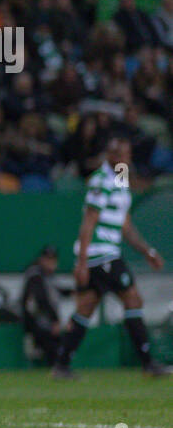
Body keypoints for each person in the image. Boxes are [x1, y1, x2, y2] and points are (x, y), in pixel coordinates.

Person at [52, 134, 171, 378]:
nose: (126, 160)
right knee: (133, 300)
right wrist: (82, 262)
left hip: (105, 255)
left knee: (85, 308)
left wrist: (146, 251)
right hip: (101, 255)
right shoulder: (100, 181)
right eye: (122, 155)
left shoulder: (120, 181)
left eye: (128, 155)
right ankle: (148, 363)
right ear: (111, 156)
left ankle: (61, 365)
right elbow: (88, 221)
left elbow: (125, 225)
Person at [20, 246, 63, 365]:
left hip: (43, 321)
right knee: (51, 347)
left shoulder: (48, 276)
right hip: (35, 322)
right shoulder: (35, 274)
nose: (50, 263)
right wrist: (55, 320)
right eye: (47, 259)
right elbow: (41, 299)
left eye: (53, 260)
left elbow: (56, 292)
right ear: (41, 259)